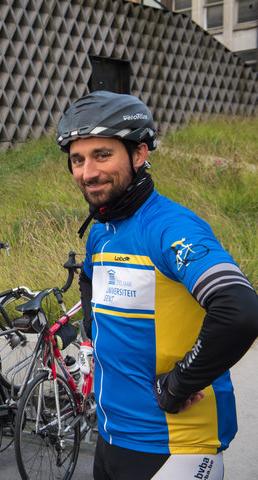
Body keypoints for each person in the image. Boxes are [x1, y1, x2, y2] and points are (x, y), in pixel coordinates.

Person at [56, 90, 258, 479]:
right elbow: (88, 278)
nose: (87, 172)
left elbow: (240, 308)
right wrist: (92, 333)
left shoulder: (169, 227)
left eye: (102, 155)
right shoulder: (103, 231)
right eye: (77, 160)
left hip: (177, 445)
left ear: (139, 154)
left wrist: (180, 383)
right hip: (113, 436)